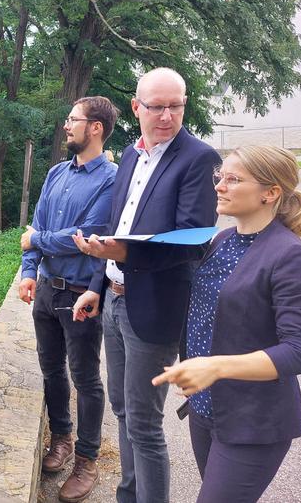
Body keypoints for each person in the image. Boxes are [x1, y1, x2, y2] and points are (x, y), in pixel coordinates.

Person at [72, 68, 222, 503]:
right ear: (137, 108)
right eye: (157, 107)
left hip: (155, 309)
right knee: (122, 410)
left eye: (176, 105)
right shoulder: (132, 155)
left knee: (144, 423)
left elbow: (192, 242)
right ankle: (128, 495)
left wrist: (124, 255)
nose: (167, 116)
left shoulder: (198, 158)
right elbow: (118, 226)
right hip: (116, 304)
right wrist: (97, 285)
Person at [152, 145, 301, 502]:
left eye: (233, 179)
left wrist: (215, 367)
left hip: (254, 422)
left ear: (270, 192)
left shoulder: (293, 257)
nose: (219, 186)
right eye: (220, 177)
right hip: (206, 409)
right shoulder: (222, 240)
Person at [19, 96, 118, 502]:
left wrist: (36, 240)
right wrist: (28, 272)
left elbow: (86, 238)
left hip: (80, 296)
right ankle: (60, 439)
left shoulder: (111, 179)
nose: (66, 126)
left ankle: (87, 460)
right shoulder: (56, 172)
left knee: (86, 378)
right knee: (51, 371)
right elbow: (38, 225)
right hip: (45, 290)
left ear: (95, 127)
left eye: (73, 120)